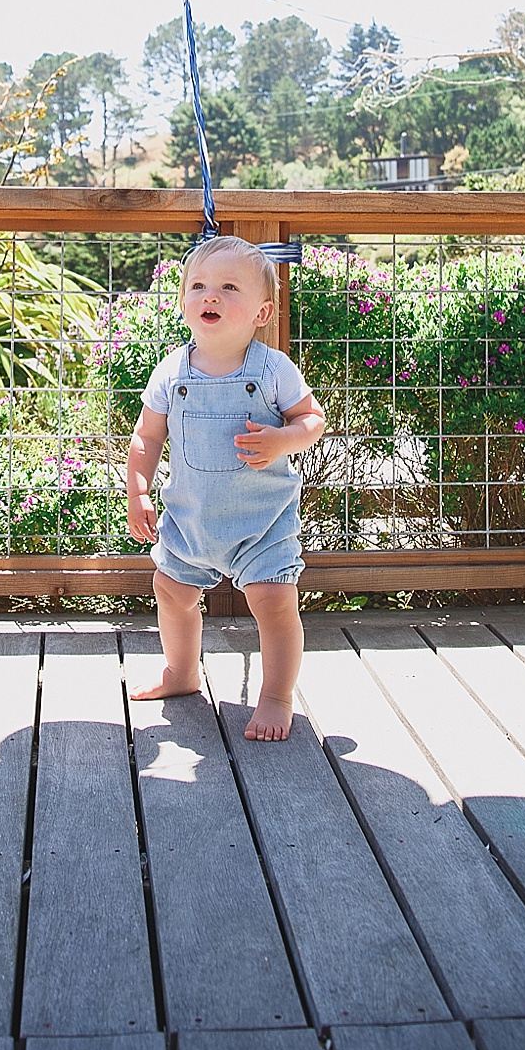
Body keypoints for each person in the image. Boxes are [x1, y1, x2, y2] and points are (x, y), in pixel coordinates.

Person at [125, 235, 327, 739]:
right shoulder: (172, 370)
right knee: (170, 591)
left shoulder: (273, 368)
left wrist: (283, 439)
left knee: (274, 603)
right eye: (198, 286)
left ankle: (277, 696)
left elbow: (312, 420)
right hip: (190, 520)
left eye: (228, 287)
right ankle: (182, 672)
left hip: (262, 524)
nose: (209, 296)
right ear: (182, 303)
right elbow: (147, 436)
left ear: (262, 313)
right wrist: (138, 491)